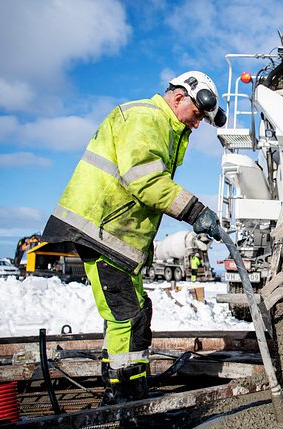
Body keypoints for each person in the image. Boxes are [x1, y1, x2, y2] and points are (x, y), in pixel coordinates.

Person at [42, 71, 226, 404]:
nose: (196, 125)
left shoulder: (161, 127)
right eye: (197, 115)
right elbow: (145, 181)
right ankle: (121, 399)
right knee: (125, 316)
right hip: (102, 231)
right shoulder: (146, 118)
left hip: (117, 237)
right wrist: (196, 211)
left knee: (138, 311)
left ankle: (133, 391)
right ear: (180, 96)